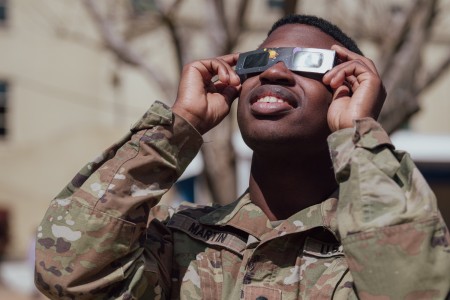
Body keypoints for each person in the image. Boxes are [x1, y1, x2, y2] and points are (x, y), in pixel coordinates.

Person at [35, 14, 450, 299]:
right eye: (259, 61)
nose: (273, 73)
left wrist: (358, 133)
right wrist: (180, 125)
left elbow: (414, 289)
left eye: (307, 62)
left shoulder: (371, 248)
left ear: (349, 87)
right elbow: (67, 274)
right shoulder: (181, 243)